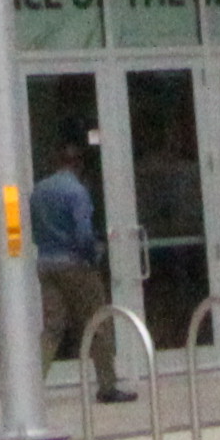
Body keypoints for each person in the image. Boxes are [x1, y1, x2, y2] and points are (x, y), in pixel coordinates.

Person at [29, 136, 126, 400]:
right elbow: (83, 235)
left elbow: (33, 229)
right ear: (78, 165)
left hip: (46, 264)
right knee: (97, 322)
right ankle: (107, 386)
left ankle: (32, 388)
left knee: (52, 327)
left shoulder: (39, 190)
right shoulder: (77, 192)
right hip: (74, 265)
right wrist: (94, 256)